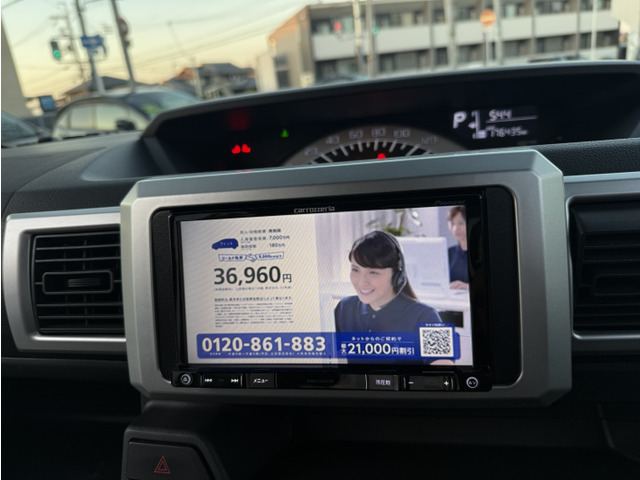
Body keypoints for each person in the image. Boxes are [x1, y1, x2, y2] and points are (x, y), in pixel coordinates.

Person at [334, 230, 442, 332]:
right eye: (355, 270)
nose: (361, 282)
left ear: (396, 275)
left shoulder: (427, 317)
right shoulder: (344, 309)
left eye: (373, 272)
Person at [447, 206, 469, 290]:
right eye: (452, 224)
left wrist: (467, 287)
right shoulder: (449, 252)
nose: (456, 229)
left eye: (461, 223)